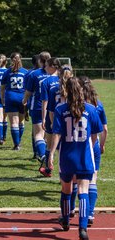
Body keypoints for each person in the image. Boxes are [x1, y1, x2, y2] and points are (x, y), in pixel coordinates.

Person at [48, 76, 103, 240]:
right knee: (83, 191)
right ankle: (83, 228)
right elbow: (95, 135)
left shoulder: (60, 109)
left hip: (67, 155)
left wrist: (51, 153)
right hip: (84, 155)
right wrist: (87, 145)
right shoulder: (91, 109)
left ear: (66, 90)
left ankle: (65, 221)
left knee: (66, 190)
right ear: (81, 90)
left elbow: (56, 134)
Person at [69, 76, 108, 226]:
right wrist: (101, 145)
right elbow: (104, 129)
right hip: (93, 144)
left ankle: (70, 209)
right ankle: (90, 214)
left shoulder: (75, 105)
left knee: (73, 179)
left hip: (75, 144)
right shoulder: (98, 105)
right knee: (92, 180)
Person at [22, 51, 51, 160]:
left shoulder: (34, 74)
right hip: (52, 107)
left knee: (38, 133)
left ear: (39, 60)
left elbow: (28, 92)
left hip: (37, 106)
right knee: (49, 133)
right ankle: (46, 154)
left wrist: (24, 101)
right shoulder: (55, 74)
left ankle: (42, 155)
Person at [38, 57, 62, 177]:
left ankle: (48, 168)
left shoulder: (46, 82)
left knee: (49, 143)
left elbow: (45, 102)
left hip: (52, 115)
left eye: (47, 65)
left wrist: (43, 118)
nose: (45, 68)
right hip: (67, 116)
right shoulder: (64, 80)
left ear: (53, 66)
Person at [1, 52, 28, 149]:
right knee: (21, 122)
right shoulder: (26, 72)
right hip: (22, 98)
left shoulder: (7, 72)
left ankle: (16, 144)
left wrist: (2, 99)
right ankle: (18, 141)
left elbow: (2, 88)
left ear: (11, 60)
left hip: (10, 97)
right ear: (21, 59)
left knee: (14, 122)